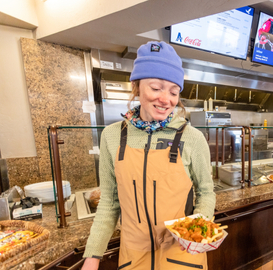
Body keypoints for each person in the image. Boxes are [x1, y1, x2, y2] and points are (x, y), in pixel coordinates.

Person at [81, 41, 215, 270]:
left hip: (182, 255)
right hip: (134, 257)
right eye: (156, 88)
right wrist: (92, 256)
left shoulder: (192, 138)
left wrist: (196, 231)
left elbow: (206, 193)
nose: (166, 99)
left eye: (174, 92)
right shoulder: (112, 137)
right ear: (136, 87)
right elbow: (109, 203)